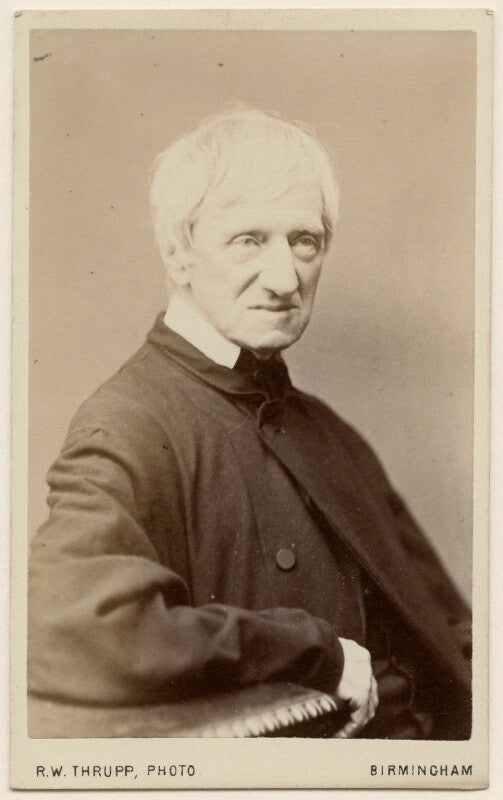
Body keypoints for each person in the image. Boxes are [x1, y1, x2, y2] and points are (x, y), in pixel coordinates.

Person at [28, 106, 471, 739]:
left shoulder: (329, 432)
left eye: (304, 241)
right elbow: (66, 629)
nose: (286, 278)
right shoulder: (129, 423)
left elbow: (453, 639)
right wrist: (313, 650)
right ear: (178, 252)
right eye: (249, 240)